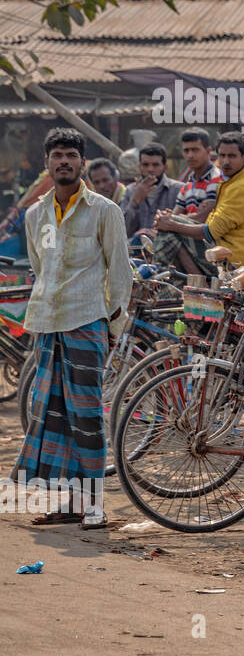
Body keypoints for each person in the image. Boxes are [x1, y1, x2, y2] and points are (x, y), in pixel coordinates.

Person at [12, 128, 131, 529]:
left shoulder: (104, 210)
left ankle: (95, 506)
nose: (63, 161)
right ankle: (69, 504)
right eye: (57, 155)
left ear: (82, 162)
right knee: (51, 416)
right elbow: (38, 266)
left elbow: (120, 274)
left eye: (70, 155)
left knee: (85, 416)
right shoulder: (34, 214)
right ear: (47, 163)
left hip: (87, 322)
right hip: (47, 323)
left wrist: (113, 325)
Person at [151, 131, 244, 275]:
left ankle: (161, 283)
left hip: (234, 261)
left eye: (231, 156)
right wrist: (169, 221)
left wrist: (171, 224)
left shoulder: (242, 187)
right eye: (222, 155)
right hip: (221, 249)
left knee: (169, 232)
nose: (225, 161)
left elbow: (210, 232)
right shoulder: (230, 181)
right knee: (169, 229)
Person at [120, 142, 180, 237]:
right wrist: (135, 201)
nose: (150, 169)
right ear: (140, 167)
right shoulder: (130, 191)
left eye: (155, 165)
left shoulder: (178, 190)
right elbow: (122, 231)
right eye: (145, 165)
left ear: (165, 167)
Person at [176, 128, 223, 219]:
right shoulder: (187, 186)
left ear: (208, 151)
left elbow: (202, 219)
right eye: (186, 151)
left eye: (195, 150)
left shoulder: (217, 179)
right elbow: (175, 214)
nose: (190, 155)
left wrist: (178, 218)